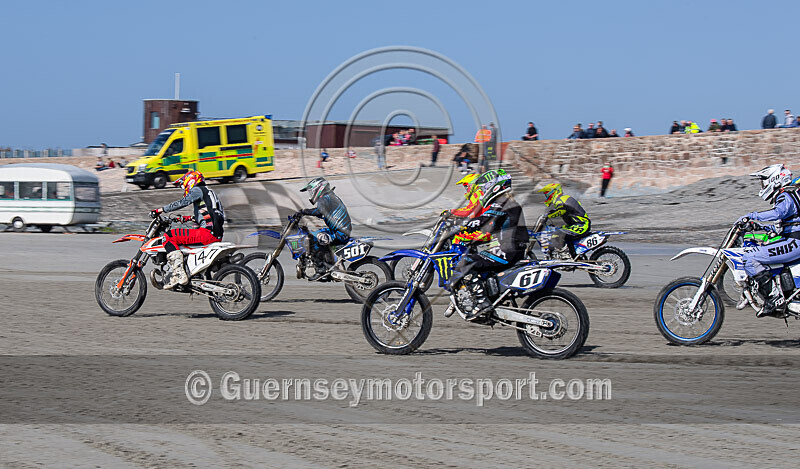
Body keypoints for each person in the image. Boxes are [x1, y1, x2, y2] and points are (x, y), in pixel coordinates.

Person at [448, 171, 528, 320]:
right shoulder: (508, 202)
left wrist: (461, 225)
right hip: (513, 249)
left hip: (506, 251)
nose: (484, 190)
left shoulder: (501, 203)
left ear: (495, 187)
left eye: (486, 187)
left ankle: (482, 303)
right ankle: (490, 295)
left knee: (465, 262)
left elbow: (482, 220)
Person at [738, 164, 800, 317]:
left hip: (794, 242)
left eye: (763, 181)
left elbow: (779, 213)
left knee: (750, 258)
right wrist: (760, 227)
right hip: (792, 239)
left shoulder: (786, 195)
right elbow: (782, 225)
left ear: (775, 179)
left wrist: (752, 216)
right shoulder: (787, 195)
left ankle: (773, 298)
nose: (763, 185)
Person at [150, 171, 225, 290]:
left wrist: (160, 210)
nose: (184, 188)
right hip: (216, 233)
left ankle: (179, 274)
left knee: (169, 236)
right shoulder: (209, 192)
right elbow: (208, 214)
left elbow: (183, 202)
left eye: (184, 185)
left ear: (190, 181)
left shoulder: (198, 189)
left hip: (207, 233)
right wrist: (188, 218)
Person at [293, 177, 352, 281]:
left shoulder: (325, 197)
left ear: (319, 188)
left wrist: (303, 212)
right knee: (316, 234)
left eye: (311, 191)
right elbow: (324, 213)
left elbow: (319, 211)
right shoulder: (329, 197)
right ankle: (329, 262)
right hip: (340, 230)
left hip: (340, 233)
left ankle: (321, 270)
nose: (311, 194)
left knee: (313, 239)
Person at [536, 183, 590, 259]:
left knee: (558, 234)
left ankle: (566, 255)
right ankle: (570, 254)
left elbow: (560, 211)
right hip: (575, 224)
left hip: (581, 224)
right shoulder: (564, 198)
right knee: (558, 230)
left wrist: (547, 216)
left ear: (554, 192)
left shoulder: (561, 200)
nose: (546, 196)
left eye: (547, 194)